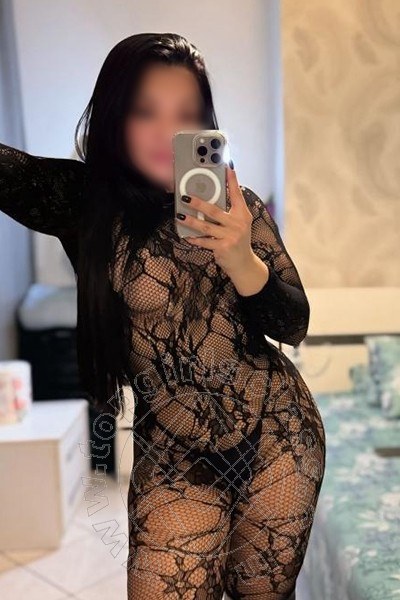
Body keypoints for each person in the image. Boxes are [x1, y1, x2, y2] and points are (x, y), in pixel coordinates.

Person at [0, 32, 326, 600]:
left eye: (186, 115)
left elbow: (293, 324)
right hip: (174, 451)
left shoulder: (238, 206)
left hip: (279, 431)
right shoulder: (84, 202)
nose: (166, 130)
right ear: (113, 117)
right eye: (145, 111)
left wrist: (241, 258)